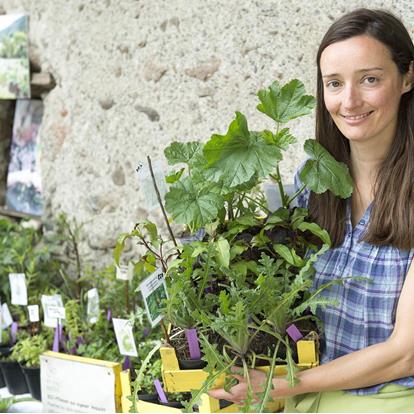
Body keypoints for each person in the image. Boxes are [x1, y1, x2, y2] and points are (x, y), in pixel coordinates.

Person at [208, 8, 414, 413]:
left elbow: (405, 352)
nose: (349, 100)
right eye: (334, 84)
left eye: (370, 79)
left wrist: (279, 383)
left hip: (387, 398)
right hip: (303, 393)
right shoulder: (311, 183)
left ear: (407, 77)